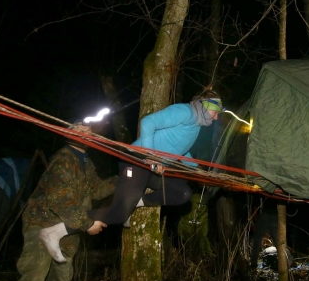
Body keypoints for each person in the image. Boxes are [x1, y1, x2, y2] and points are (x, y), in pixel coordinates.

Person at [5, 122, 117, 281]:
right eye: (78, 127)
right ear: (69, 133)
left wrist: (126, 180)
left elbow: (96, 189)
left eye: (88, 128)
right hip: (42, 225)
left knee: (62, 279)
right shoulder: (63, 160)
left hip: (67, 233)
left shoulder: (86, 162)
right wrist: (87, 224)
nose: (84, 130)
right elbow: (60, 201)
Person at [88, 89, 224, 227]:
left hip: (153, 169)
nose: (216, 117)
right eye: (216, 112)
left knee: (182, 193)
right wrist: (150, 156)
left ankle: (137, 201)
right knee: (120, 214)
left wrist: (197, 170)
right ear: (206, 106)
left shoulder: (197, 125)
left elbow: (181, 151)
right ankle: (70, 225)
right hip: (136, 160)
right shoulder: (185, 111)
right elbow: (148, 122)